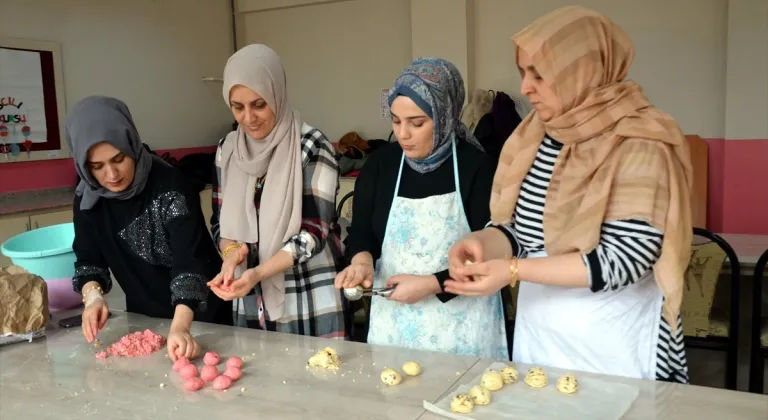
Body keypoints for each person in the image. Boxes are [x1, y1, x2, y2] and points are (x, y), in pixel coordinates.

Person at [446, 6, 692, 383]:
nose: (526, 87)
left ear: (581, 72)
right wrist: (481, 243)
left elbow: (626, 258)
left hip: (614, 345)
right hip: (543, 340)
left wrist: (513, 270)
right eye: (523, 73)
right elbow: (521, 232)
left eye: (540, 75)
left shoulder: (641, 142)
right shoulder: (537, 138)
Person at [335, 57, 507, 358]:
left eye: (417, 123)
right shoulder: (380, 165)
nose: (403, 134)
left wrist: (431, 285)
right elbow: (362, 230)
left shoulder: (477, 167)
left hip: (464, 331)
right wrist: (361, 261)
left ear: (444, 116)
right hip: (394, 327)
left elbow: (493, 254)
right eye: (396, 121)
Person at [68, 96, 231, 362]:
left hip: (201, 318)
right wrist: (93, 296)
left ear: (131, 145)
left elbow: (190, 263)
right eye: (97, 167)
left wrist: (180, 328)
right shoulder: (88, 199)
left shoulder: (170, 185)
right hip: (145, 320)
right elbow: (88, 261)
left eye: (118, 159)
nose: (111, 175)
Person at [206, 44, 346, 339]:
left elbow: (313, 232)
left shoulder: (309, 145)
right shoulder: (227, 151)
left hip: (306, 292)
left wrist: (259, 272)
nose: (248, 118)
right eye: (237, 106)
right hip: (248, 295)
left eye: (259, 104)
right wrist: (232, 255)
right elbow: (221, 223)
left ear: (277, 95)